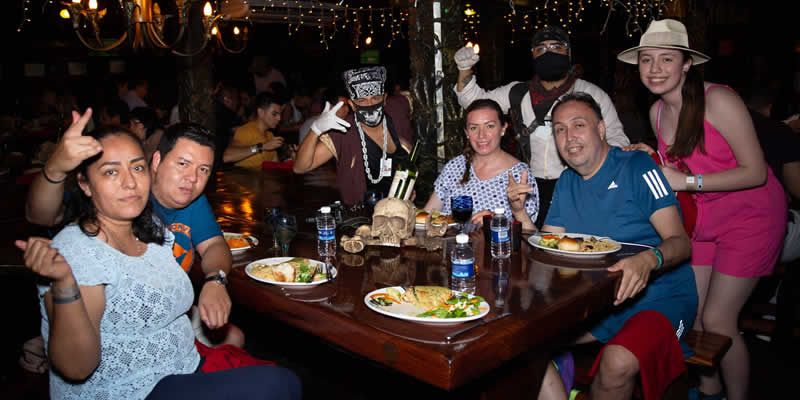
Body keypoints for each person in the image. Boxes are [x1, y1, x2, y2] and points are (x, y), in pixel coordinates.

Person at [15, 126, 300, 399]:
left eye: (135, 168)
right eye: (111, 171)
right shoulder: (80, 247)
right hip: (135, 389)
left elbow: (215, 246)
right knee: (276, 382)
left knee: (269, 371)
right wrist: (65, 285)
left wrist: (216, 280)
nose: (129, 182)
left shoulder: (151, 228)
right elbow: (76, 367)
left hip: (180, 364)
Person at [618, 19, 787, 400]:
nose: (655, 69)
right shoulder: (657, 112)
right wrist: (652, 156)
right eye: (647, 60)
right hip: (704, 219)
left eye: (666, 59)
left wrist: (686, 182)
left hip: (751, 218)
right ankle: (709, 391)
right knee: (691, 314)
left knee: (718, 319)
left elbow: (756, 172)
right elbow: (681, 166)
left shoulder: (719, 100)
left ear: (686, 64)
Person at [26, 110, 244, 349]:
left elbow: (214, 244)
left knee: (233, 339)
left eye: (203, 170)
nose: (192, 178)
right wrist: (55, 169)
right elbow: (42, 216)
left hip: (170, 306)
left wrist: (216, 280)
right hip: (116, 317)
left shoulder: (193, 201)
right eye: (183, 164)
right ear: (157, 161)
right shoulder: (127, 196)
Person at [538, 92, 696, 400]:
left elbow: (681, 243)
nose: (569, 136)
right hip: (601, 306)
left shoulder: (636, 165)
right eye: (559, 129)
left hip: (661, 301)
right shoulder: (566, 181)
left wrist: (648, 260)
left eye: (578, 125)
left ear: (600, 129)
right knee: (523, 347)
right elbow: (547, 248)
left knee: (617, 362)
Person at [453, 26, 630, 226]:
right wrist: (464, 68)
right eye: (541, 49)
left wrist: (599, 179)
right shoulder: (518, 92)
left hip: (576, 184)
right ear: (533, 55)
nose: (548, 52)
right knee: (529, 244)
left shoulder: (591, 95)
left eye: (556, 47)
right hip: (529, 187)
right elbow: (474, 103)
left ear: (568, 53)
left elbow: (616, 140)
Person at [293, 65, 414, 205]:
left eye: (375, 98)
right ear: (352, 104)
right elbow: (300, 167)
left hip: (400, 214)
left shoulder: (397, 119)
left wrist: (410, 188)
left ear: (385, 99)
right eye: (362, 100)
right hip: (361, 219)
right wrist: (316, 129)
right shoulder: (344, 132)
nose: (370, 105)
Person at [423, 99, 539, 230]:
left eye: (489, 126)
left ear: (503, 129)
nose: (481, 135)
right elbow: (427, 216)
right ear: (467, 133)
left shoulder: (520, 174)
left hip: (495, 249)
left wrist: (497, 223)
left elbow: (529, 238)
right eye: (474, 128)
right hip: (450, 247)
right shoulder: (454, 167)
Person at [223, 92, 286, 169]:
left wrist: (291, 158)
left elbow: (275, 167)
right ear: (261, 112)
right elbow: (226, 157)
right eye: (274, 114)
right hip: (243, 179)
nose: (279, 118)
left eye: (280, 114)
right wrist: (261, 147)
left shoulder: (270, 135)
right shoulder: (246, 131)